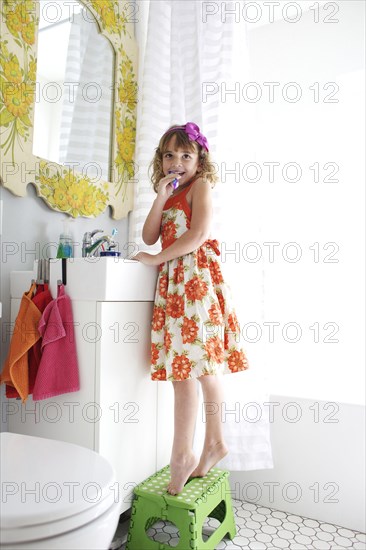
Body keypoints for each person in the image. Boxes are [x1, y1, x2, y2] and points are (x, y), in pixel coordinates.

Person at [133, 122, 249, 495]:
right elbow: (149, 235)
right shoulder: (169, 194)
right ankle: (201, 447)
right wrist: (157, 198)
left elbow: (197, 234)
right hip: (176, 287)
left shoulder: (201, 187)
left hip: (194, 284)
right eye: (169, 155)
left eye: (186, 155)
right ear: (161, 160)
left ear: (200, 161)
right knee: (188, 371)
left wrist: (156, 260)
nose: (177, 162)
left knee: (196, 370)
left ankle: (190, 451)